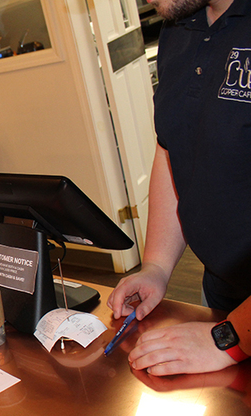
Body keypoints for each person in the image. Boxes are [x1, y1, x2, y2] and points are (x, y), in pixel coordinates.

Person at [108, 0, 251, 376]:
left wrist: (230, 339)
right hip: (224, 292)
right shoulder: (180, 28)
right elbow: (173, 145)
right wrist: (156, 264)